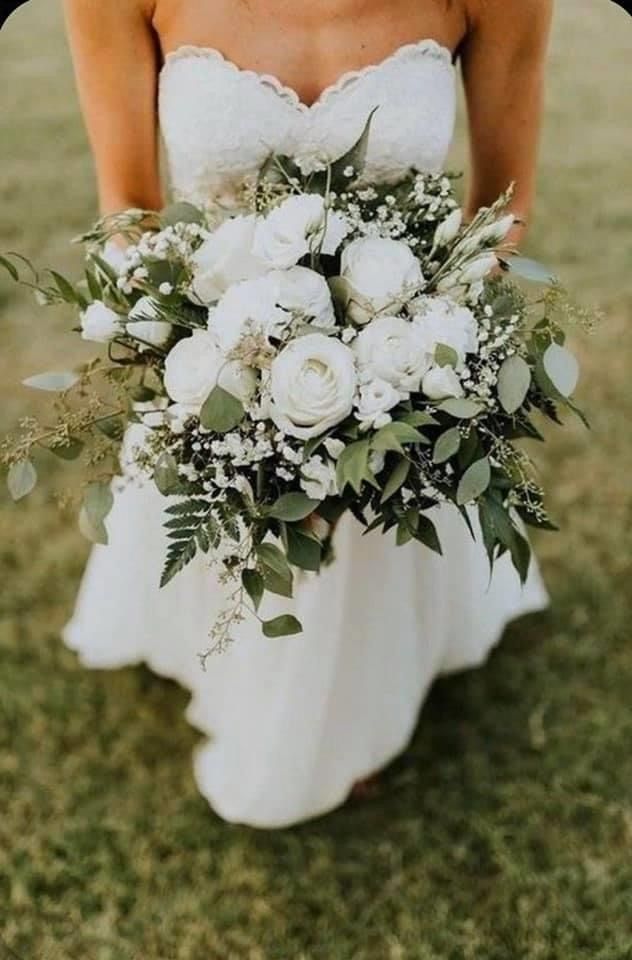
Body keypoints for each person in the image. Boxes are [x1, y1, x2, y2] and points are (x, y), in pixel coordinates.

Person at [62, 0, 552, 828]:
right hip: (215, 359)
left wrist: (401, 378)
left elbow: (498, 214)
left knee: (366, 537)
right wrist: (213, 374)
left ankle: (355, 703)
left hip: (397, 360)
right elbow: (132, 214)